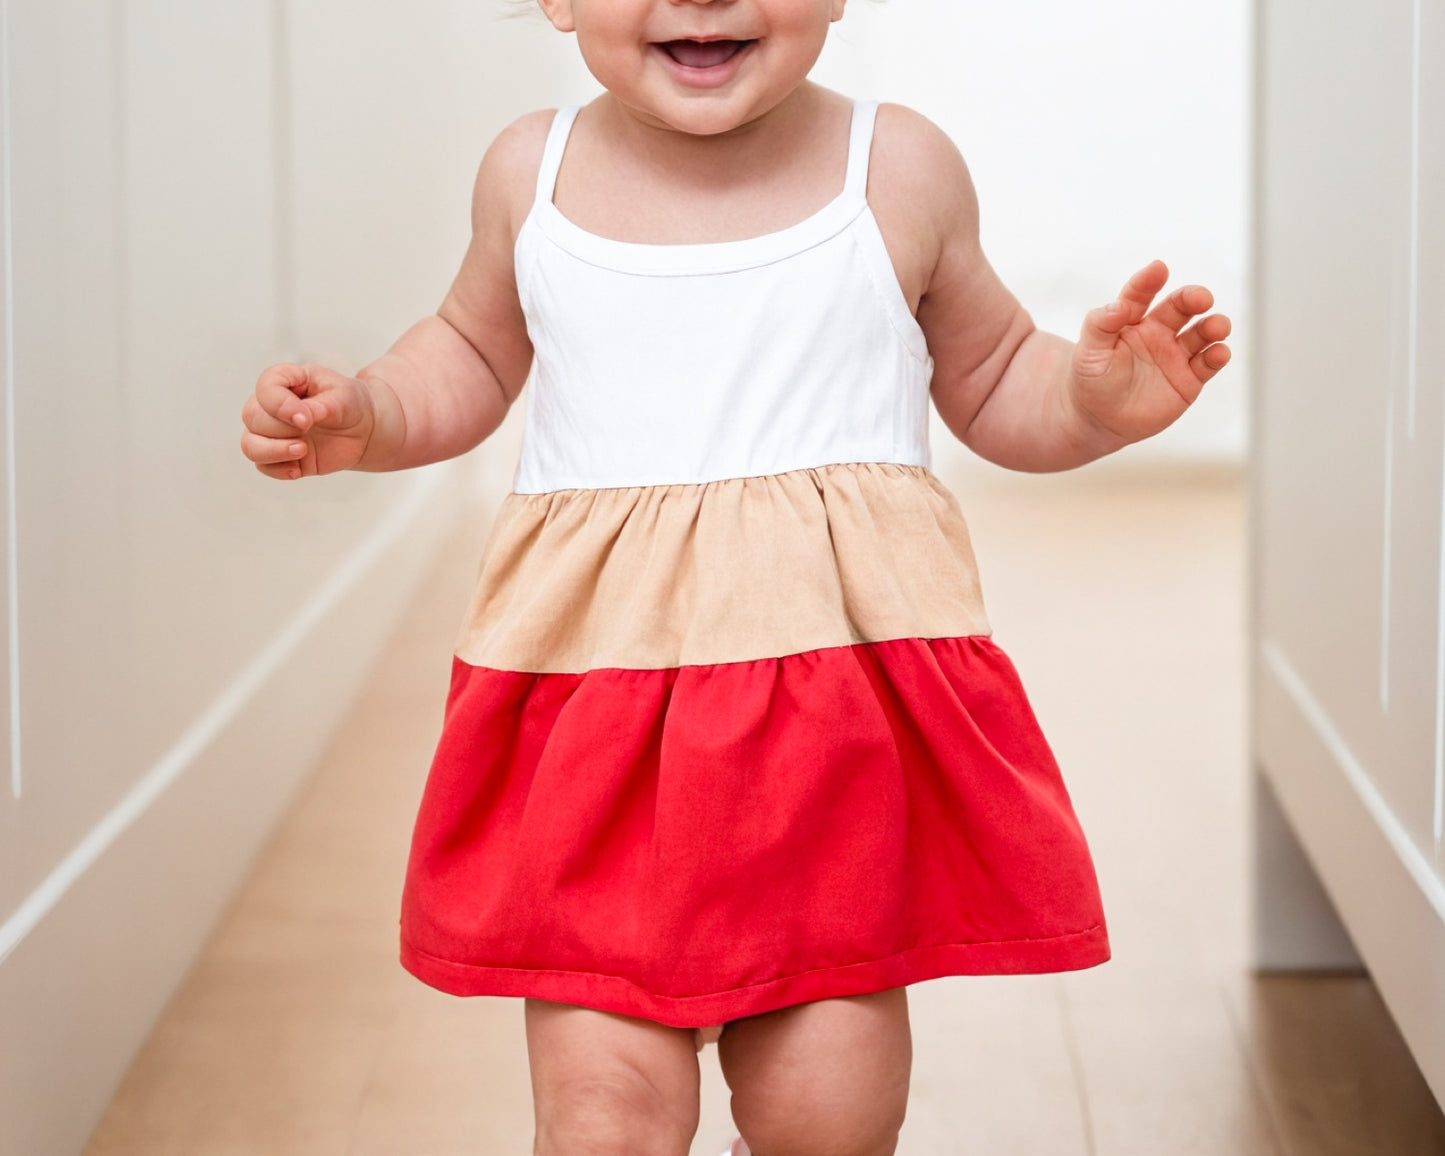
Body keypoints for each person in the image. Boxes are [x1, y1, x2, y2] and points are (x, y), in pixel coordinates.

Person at [239, 1, 1232, 1152]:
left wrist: (1089, 402)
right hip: (599, 727)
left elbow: (998, 370)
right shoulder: (530, 171)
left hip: (828, 741)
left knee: (829, 1111)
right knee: (602, 1115)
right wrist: (369, 413)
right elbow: (466, 349)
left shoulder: (899, 165)